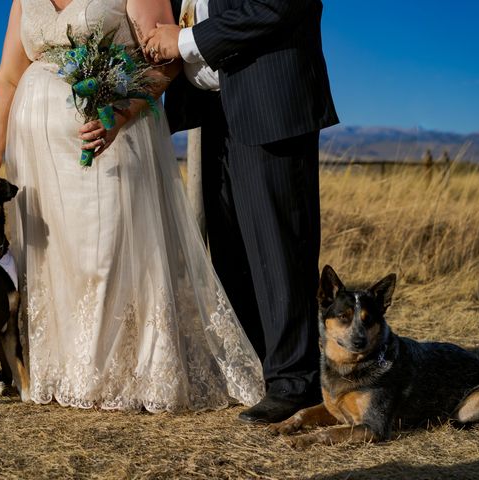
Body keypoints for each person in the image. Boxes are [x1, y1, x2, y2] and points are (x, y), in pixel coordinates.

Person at [0, 0, 265, 412]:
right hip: (36, 160)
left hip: (112, 143)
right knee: (55, 259)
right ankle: (60, 369)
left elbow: (165, 61)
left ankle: (115, 375)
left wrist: (118, 116)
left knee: (102, 254)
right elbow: (7, 76)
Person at [143, 0, 339, 423]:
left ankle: (294, 382)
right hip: (216, 106)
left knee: (278, 245)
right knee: (232, 247)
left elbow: (279, 6)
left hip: (270, 98)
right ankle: (256, 371)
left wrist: (182, 40)